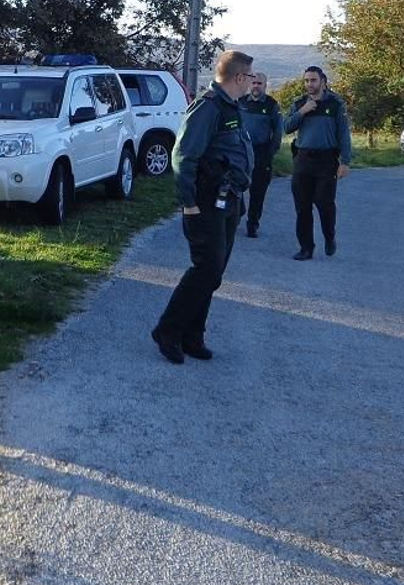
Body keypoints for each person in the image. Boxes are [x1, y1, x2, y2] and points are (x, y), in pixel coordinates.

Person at [151, 50, 255, 364]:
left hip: (229, 200)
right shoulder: (208, 107)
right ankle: (167, 331)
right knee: (205, 270)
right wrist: (189, 203)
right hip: (206, 203)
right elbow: (183, 156)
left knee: (214, 274)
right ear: (239, 77)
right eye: (251, 76)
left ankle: (192, 336)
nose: (253, 81)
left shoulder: (231, 108)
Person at [284, 64, 352, 260]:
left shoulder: (336, 104)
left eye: (313, 80)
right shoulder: (299, 103)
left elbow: (343, 134)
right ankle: (306, 248)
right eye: (306, 80)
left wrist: (345, 161)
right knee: (302, 207)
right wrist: (303, 111)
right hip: (303, 159)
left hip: (326, 161)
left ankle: (329, 237)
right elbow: (286, 127)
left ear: (323, 81)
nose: (309, 84)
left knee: (324, 203)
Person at [236, 70, 283, 239]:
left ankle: (252, 224)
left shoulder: (272, 105)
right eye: (254, 83)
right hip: (241, 152)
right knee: (236, 186)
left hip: (262, 153)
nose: (256, 86)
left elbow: (278, 132)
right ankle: (237, 212)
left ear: (265, 85)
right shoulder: (240, 102)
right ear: (250, 84)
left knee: (258, 192)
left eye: (259, 84)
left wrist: (270, 152)